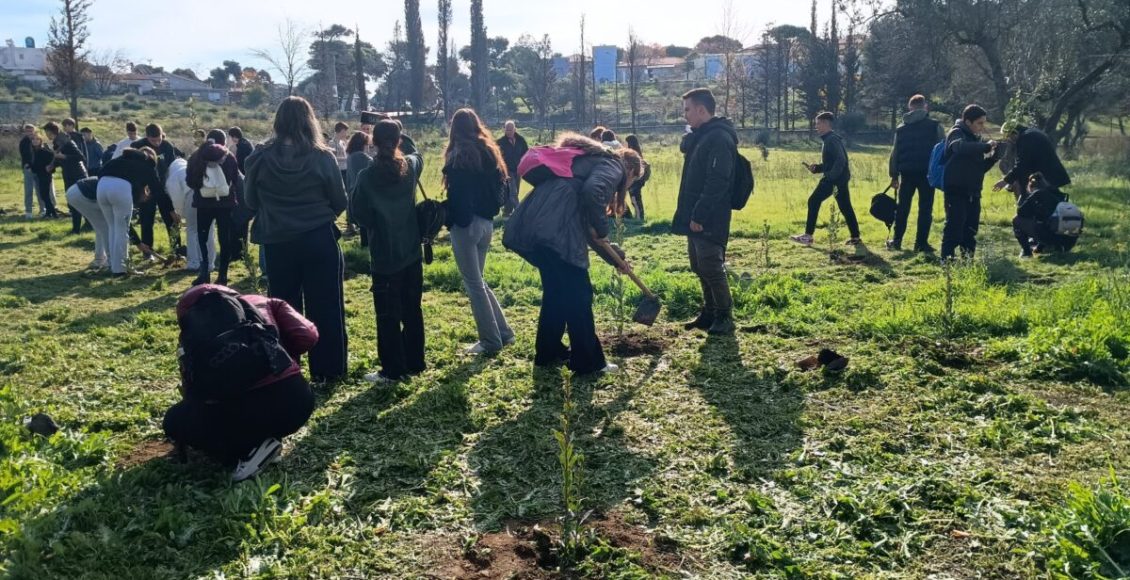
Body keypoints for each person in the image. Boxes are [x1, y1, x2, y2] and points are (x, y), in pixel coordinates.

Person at [503, 134, 642, 375]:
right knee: (579, 295)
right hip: (555, 233)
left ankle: (548, 352)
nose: (627, 187)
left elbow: (590, 228)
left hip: (534, 227)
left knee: (557, 292)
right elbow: (594, 194)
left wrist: (614, 258)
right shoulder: (613, 165)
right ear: (629, 170)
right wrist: (603, 229)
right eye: (631, 181)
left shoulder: (587, 165)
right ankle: (589, 362)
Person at [162, 284, 317, 482]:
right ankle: (265, 439)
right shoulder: (263, 302)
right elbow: (307, 336)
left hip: (243, 414)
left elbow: (196, 395)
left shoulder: (192, 332)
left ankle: (248, 450)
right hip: (298, 400)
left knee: (174, 420)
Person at [244, 96, 349, 382]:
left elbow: (250, 201)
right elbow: (339, 200)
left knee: (282, 307)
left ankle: (287, 368)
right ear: (309, 121)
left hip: (278, 241)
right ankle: (329, 370)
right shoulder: (322, 156)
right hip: (318, 237)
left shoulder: (259, 157)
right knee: (326, 305)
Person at [350, 120, 426, 382]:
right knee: (412, 309)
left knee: (387, 315)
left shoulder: (366, 177)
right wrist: (401, 132)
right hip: (411, 250)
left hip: (384, 255)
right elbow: (417, 153)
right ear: (398, 141)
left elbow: (358, 214)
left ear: (372, 141)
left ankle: (393, 370)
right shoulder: (410, 167)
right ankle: (415, 361)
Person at [443, 109, 515, 355]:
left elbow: (458, 195)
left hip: (466, 226)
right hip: (487, 223)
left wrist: (452, 218)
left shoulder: (459, 156)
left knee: (474, 285)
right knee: (479, 282)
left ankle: (490, 341)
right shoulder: (490, 151)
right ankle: (504, 333)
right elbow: (501, 187)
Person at [674, 88, 740, 335]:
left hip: (710, 215)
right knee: (698, 264)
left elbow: (718, 180)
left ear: (702, 110)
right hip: (695, 213)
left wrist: (700, 214)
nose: (685, 116)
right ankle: (709, 312)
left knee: (711, 265)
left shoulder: (720, 138)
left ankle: (725, 315)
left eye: (688, 110)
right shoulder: (702, 135)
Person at [97, 147, 177, 277]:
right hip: (120, 189)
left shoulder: (121, 159)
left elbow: (102, 172)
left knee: (112, 227)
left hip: (101, 186)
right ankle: (121, 269)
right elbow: (158, 190)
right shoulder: (147, 165)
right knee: (122, 230)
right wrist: (171, 210)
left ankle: (113, 264)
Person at [791, 112, 861, 248]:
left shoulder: (831, 140)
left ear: (825, 123)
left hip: (834, 179)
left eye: (817, 123)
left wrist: (830, 177)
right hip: (840, 178)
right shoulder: (830, 139)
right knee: (846, 207)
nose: (816, 126)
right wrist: (816, 168)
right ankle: (856, 237)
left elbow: (841, 160)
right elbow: (832, 163)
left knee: (813, 200)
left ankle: (808, 236)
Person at [941, 104, 1002, 260]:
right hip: (956, 190)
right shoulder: (956, 133)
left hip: (974, 191)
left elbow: (979, 169)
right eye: (979, 123)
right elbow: (959, 148)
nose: (982, 127)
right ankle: (946, 261)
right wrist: (985, 147)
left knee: (971, 230)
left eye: (984, 123)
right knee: (954, 228)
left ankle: (968, 261)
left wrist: (994, 158)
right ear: (968, 121)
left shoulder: (976, 139)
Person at [887, 94, 944, 252]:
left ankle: (897, 240)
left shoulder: (901, 128)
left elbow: (895, 153)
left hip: (907, 173)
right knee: (925, 209)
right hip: (927, 174)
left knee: (903, 208)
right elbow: (942, 150)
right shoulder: (935, 126)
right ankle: (921, 243)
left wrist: (893, 175)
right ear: (925, 107)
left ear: (910, 108)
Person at [186, 130, 242, 286]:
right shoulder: (229, 157)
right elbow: (236, 180)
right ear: (223, 142)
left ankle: (204, 273)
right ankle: (222, 275)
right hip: (225, 204)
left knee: (203, 237)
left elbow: (190, 181)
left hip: (203, 204)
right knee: (225, 239)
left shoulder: (197, 156)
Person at [131, 123, 184, 257]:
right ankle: (148, 252)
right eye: (153, 140)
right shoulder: (137, 146)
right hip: (146, 189)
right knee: (146, 219)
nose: (157, 143)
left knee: (171, 219)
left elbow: (172, 167)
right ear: (147, 137)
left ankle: (176, 250)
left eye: (159, 139)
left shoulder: (167, 146)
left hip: (163, 188)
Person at [167, 154, 216, 274]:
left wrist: (179, 212)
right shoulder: (192, 166)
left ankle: (193, 263)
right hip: (211, 194)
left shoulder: (173, 174)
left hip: (192, 195)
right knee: (209, 230)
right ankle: (210, 263)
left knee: (192, 230)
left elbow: (176, 196)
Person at [994, 122, 1071, 195]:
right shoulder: (1032, 133)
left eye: (1009, 136)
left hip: (1045, 178)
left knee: (1042, 203)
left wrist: (1005, 181)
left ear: (1014, 132)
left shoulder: (1025, 139)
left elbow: (1022, 164)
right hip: (1050, 174)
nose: (1009, 139)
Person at [1013, 173, 1076, 257]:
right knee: (1047, 222)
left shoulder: (1037, 194)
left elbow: (1020, 212)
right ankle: (1058, 248)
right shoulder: (1059, 194)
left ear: (1031, 187)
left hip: (1051, 236)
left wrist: (1030, 204)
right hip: (1069, 242)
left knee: (1016, 220)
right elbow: (1047, 220)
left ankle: (1026, 252)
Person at [44, 121, 89, 234]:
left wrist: (64, 156)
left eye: (46, 132)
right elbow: (60, 159)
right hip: (69, 175)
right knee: (72, 202)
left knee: (80, 201)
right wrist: (52, 166)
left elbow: (80, 157)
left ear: (51, 132)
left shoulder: (67, 142)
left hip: (78, 175)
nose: (46, 135)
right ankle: (77, 228)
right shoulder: (57, 142)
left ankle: (84, 226)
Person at [64, 177, 109, 270]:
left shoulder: (112, 182)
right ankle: (107, 261)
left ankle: (99, 259)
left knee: (100, 227)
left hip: (74, 191)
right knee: (104, 227)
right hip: (80, 194)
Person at [344, 131, 373, 243]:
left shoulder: (351, 156)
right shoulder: (362, 156)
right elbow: (373, 165)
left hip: (353, 191)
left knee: (361, 223)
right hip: (363, 193)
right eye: (367, 144)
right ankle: (367, 244)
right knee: (366, 223)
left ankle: (364, 244)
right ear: (362, 144)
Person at [496, 120, 529, 215]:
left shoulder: (521, 140)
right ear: (504, 130)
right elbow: (496, 157)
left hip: (518, 170)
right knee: (512, 192)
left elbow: (526, 154)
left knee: (514, 192)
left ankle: (507, 211)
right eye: (507, 130)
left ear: (515, 129)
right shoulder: (500, 142)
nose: (508, 132)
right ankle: (520, 213)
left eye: (510, 130)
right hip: (507, 171)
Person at [28, 133, 60, 218]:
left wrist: (50, 167)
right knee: (43, 195)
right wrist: (30, 166)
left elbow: (52, 158)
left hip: (45, 175)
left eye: (37, 139)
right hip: (39, 174)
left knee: (44, 195)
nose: (35, 141)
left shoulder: (44, 151)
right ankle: (49, 213)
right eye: (33, 139)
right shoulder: (34, 151)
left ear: (40, 141)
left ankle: (53, 213)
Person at [18, 124, 43, 219]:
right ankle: (28, 211)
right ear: (25, 132)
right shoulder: (23, 142)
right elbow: (24, 155)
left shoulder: (39, 139)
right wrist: (27, 165)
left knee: (40, 189)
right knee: (28, 190)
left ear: (34, 130)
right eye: (27, 131)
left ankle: (42, 209)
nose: (29, 133)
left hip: (39, 168)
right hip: (28, 168)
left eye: (31, 130)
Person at [624, 135, 651, 221]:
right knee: (635, 199)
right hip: (638, 179)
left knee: (635, 199)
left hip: (635, 179)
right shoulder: (637, 151)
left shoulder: (632, 152)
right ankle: (638, 217)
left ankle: (639, 218)